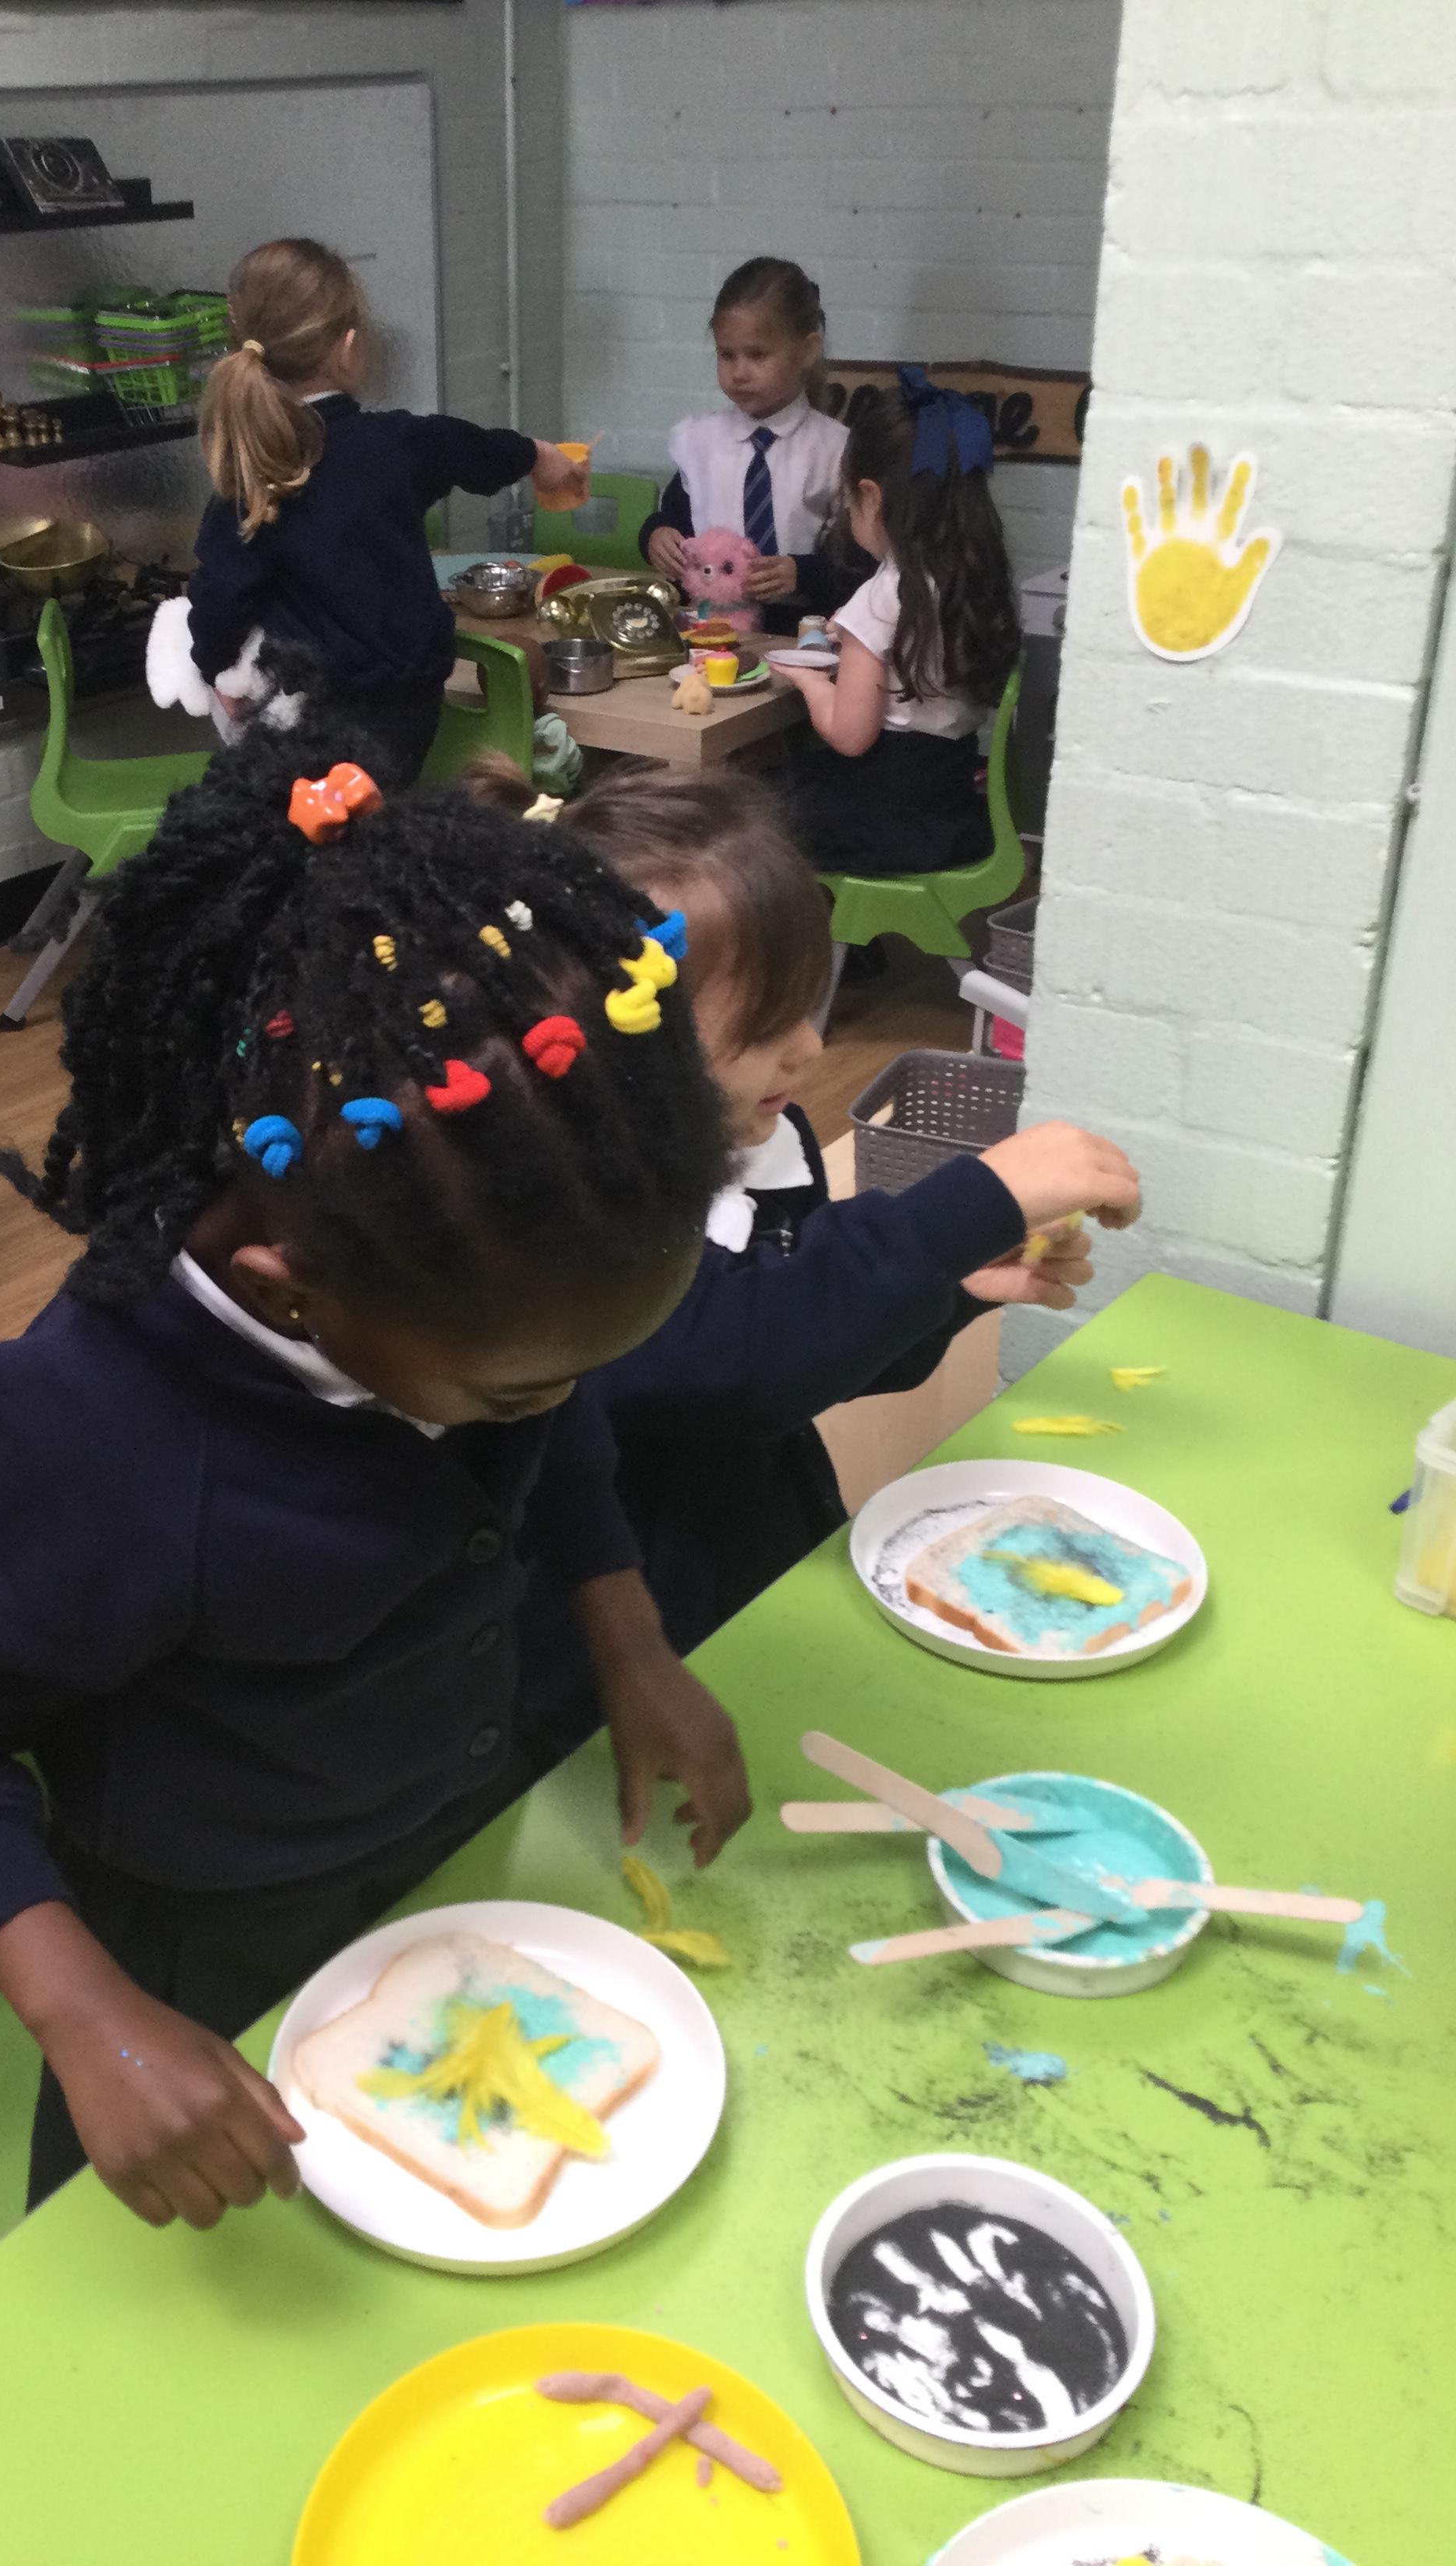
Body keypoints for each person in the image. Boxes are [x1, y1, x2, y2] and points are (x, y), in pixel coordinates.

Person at [0, 718, 752, 2229]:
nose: (547, 1401)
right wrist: (88, 2014)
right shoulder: (102, 1434)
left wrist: (628, 1637)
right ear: (290, 1289)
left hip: (433, 1864)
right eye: (516, 1385)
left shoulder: (471, 1291)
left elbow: (549, 1428)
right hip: (205, 1976)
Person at [462, 760, 1142, 1774]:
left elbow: (810, 1341)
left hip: (753, 1570)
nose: (812, 1048)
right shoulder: (558, 1221)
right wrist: (962, 1210)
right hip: (590, 1679)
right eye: (763, 1025)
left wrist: (950, 1287)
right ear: (609, 1037)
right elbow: (733, 1355)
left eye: (809, 1005)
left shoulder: (764, 1143)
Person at [182, 237, 587, 782]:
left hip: (304, 720)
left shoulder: (254, 478)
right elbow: (475, 451)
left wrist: (217, 669)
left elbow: (219, 596)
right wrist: (539, 456)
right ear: (347, 348)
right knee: (374, 816)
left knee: (311, 823)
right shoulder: (397, 446)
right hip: (406, 715)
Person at [776, 370, 1023, 878]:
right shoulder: (972, 581)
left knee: (756, 809)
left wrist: (809, 681)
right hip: (951, 805)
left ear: (871, 497)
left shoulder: (883, 595)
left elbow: (850, 735)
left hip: (884, 818)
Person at [639, 255, 872, 632]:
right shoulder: (700, 442)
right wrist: (655, 535)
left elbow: (859, 562)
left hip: (798, 636)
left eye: (758, 355)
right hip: (709, 630)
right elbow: (675, 517)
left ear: (807, 351)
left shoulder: (835, 450)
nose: (739, 372)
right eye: (727, 355)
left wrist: (802, 573)